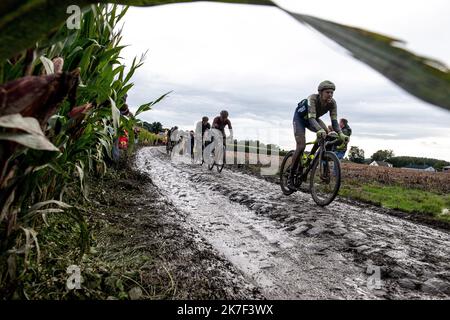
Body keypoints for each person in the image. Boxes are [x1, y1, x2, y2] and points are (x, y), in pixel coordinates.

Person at [288, 80, 349, 190]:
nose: (330, 95)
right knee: (301, 146)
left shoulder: (332, 103)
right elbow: (311, 118)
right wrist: (320, 130)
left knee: (326, 135)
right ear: (320, 92)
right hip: (301, 119)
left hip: (314, 119)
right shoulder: (312, 98)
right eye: (327, 92)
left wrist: (341, 134)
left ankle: (312, 158)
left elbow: (334, 122)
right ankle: (290, 176)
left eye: (332, 92)